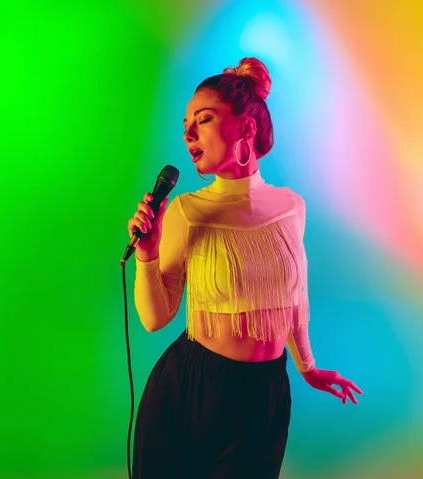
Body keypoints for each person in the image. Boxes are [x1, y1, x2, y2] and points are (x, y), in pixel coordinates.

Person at [128, 57, 362, 479]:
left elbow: (295, 298)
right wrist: (147, 252)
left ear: (247, 129)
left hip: (265, 395)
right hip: (189, 391)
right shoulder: (186, 211)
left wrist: (307, 366)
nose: (188, 133)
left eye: (203, 119)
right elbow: (153, 318)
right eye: (186, 124)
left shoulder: (291, 207)